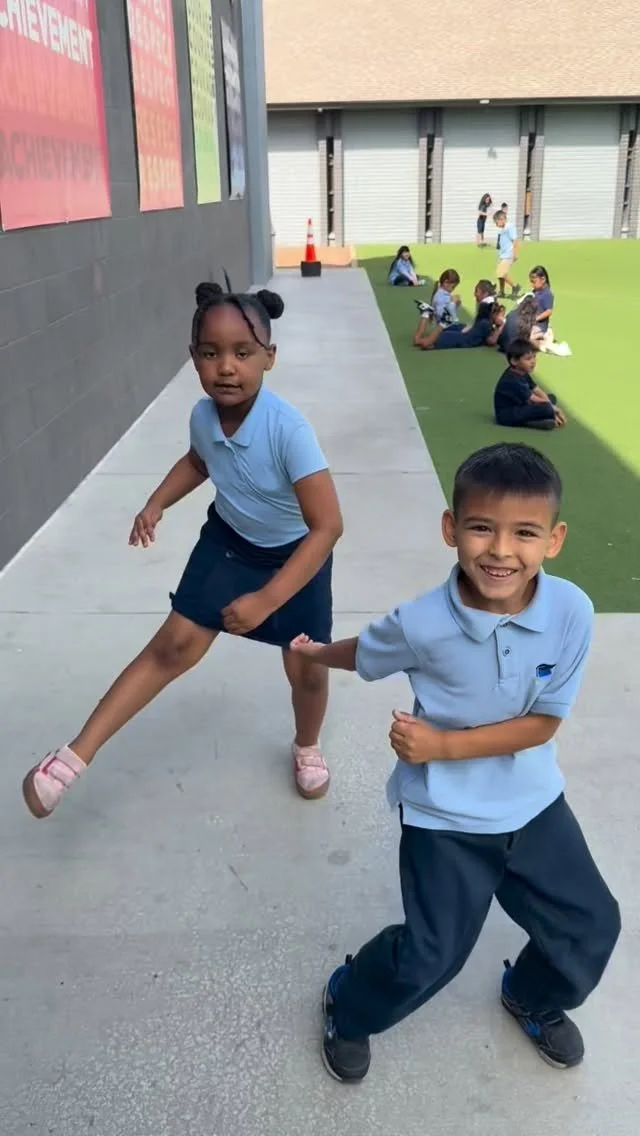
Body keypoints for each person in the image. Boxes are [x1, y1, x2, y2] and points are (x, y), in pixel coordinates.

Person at [290, 442, 621, 1084]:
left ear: (554, 540)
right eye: (481, 528)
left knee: (591, 925)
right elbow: (366, 652)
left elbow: (544, 723)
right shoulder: (420, 623)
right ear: (451, 528)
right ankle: (349, 1002)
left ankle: (531, 994)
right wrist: (314, 653)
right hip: (443, 816)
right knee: (430, 956)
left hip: (532, 803)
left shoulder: (571, 612)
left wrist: (441, 746)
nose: (501, 550)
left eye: (524, 533)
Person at [22, 282, 344, 819]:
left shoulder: (289, 431)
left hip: (295, 557)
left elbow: (328, 527)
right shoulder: (203, 415)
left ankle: (307, 745)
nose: (227, 367)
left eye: (243, 353)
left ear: (269, 356)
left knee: (307, 667)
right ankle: (72, 758)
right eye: (211, 353)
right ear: (193, 357)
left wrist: (266, 599)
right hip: (228, 544)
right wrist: (157, 502)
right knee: (172, 648)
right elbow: (199, 461)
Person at [494, 339, 566, 430]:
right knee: (546, 408)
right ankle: (531, 422)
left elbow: (537, 390)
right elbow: (534, 399)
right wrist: (553, 409)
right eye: (528, 359)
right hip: (507, 416)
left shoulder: (522, 372)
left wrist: (551, 406)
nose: (533, 361)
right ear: (514, 361)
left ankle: (541, 417)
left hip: (521, 405)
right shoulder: (512, 381)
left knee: (551, 398)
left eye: (534, 357)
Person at [413, 280, 504, 350]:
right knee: (424, 342)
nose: (474, 294)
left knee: (423, 342)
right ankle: (435, 318)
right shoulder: (486, 316)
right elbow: (490, 338)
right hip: (465, 333)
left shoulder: (485, 315)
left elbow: (491, 341)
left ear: (485, 294)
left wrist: (500, 325)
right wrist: (500, 326)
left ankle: (430, 315)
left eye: (477, 291)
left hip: (463, 336)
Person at [494, 210, 521, 300]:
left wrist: (515, 254)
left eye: (496, 222)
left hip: (509, 254)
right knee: (499, 274)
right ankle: (501, 291)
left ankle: (515, 286)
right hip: (503, 255)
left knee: (501, 273)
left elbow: (515, 240)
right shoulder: (501, 230)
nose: (496, 224)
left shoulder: (510, 227)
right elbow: (500, 243)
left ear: (501, 219)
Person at [529, 265, 555, 349]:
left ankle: (544, 342)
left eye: (534, 282)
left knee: (527, 340)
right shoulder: (534, 292)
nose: (532, 285)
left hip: (540, 325)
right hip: (530, 323)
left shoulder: (547, 294)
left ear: (543, 279)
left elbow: (549, 311)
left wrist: (536, 318)